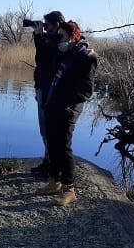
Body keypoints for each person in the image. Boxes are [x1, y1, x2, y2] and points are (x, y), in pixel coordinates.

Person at [36, 21, 97, 205]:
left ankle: (69, 189)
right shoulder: (63, 53)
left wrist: (66, 103)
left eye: (61, 36)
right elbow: (43, 60)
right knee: (52, 143)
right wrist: (40, 37)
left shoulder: (86, 56)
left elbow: (86, 90)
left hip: (69, 107)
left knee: (63, 145)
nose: (58, 40)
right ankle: (55, 181)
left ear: (73, 37)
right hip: (54, 104)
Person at [30, 11, 66, 177]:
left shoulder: (58, 42)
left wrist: (39, 36)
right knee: (46, 129)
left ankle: (51, 164)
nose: (45, 28)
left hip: (48, 89)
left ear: (57, 24)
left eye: (47, 25)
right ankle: (48, 161)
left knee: (47, 128)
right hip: (44, 88)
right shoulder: (53, 40)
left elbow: (43, 60)